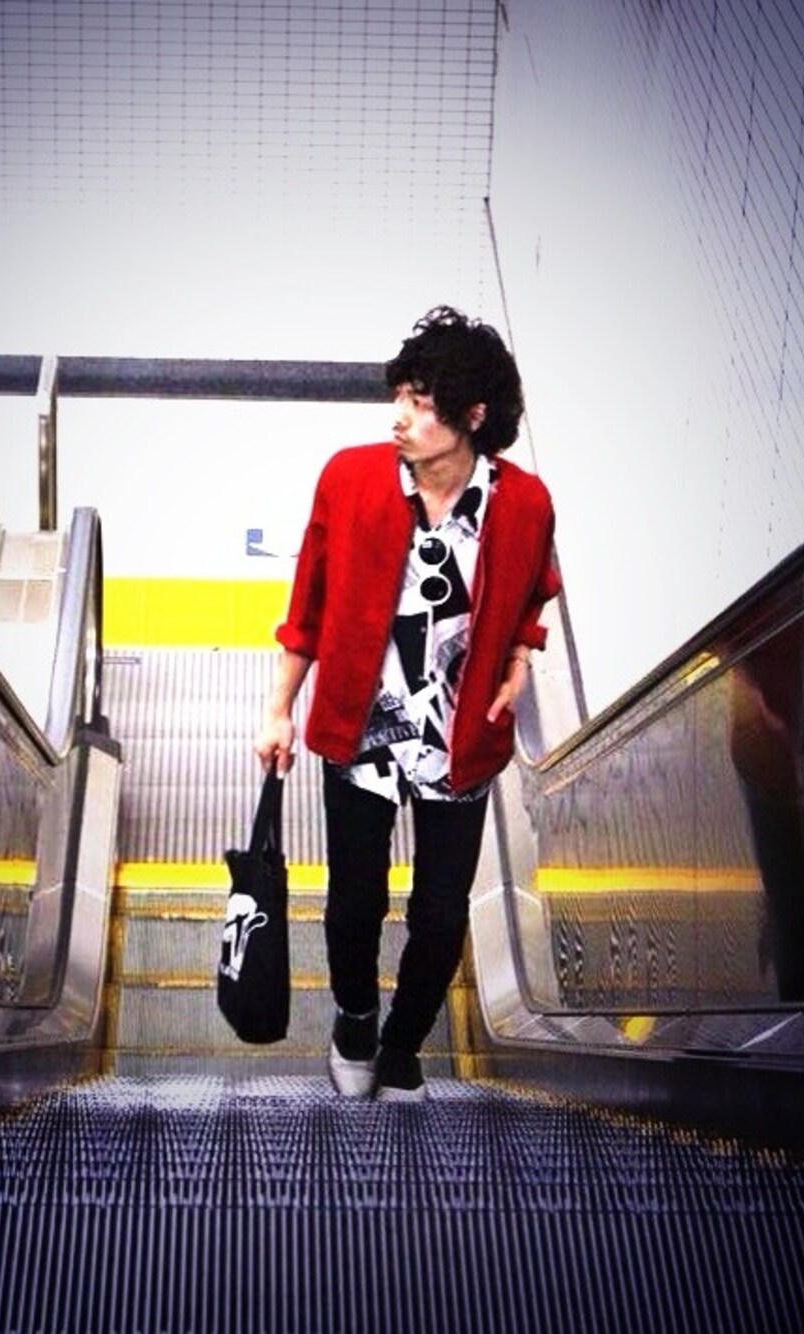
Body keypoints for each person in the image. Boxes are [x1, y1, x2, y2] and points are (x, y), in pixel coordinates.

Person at [254, 305, 561, 1101]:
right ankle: (356, 1019)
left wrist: (520, 659)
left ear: (473, 416)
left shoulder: (524, 503)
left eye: (421, 404)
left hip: (461, 740)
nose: (399, 417)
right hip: (361, 733)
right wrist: (280, 708)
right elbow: (307, 605)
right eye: (399, 397)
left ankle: (402, 1044)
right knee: (355, 902)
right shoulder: (350, 477)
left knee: (440, 914)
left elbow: (537, 587)